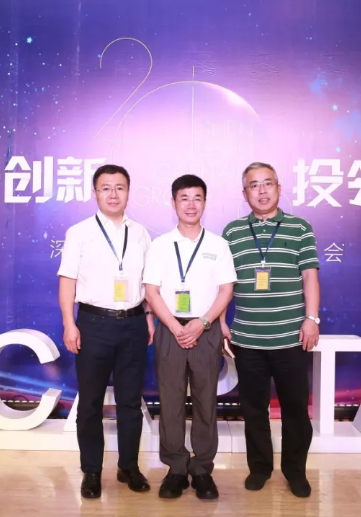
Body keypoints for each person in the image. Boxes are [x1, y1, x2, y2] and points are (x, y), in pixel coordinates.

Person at [220, 162, 321, 498]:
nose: (261, 191)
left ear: (279, 188)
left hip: (290, 337)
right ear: (244, 193)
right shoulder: (232, 232)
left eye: (267, 183)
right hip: (247, 339)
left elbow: (309, 277)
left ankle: (295, 472)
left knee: (295, 410)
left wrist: (312, 318)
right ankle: (260, 468)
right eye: (254, 185)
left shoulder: (299, 228)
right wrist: (220, 321)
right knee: (253, 410)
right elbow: (223, 284)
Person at [57, 164, 155, 499]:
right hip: (93, 324)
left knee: (130, 401)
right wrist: (69, 323)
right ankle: (92, 471)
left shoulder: (141, 233)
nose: (113, 194)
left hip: (133, 323)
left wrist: (148, 317)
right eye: (106, 188)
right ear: (95, 193)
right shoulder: (79, 232)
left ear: (128, 192)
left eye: (120, 187)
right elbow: (67, 280)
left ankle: (129, 466)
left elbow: (147, 282)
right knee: (90, 403)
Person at [143, 174, 237, 500]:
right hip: (170, 330)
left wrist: (203, 322)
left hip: (205, 330)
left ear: (205, 203)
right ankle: (176, 469)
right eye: (184, 198)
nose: (191, 205)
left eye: (197, 198)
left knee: (205, 401)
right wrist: (174, 325)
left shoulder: (218, 245)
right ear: (173, 203)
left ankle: (202, 470)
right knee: (170, 401)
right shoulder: (160, 245)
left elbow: (226, 289)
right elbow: (151, 291)